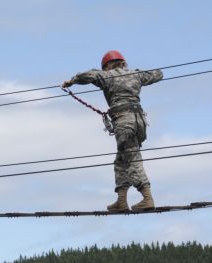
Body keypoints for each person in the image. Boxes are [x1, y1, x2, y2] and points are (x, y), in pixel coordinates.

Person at [62, 50, 163, 211]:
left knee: (132, 159)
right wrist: (137, 74)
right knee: (121, 161)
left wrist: (71, 81)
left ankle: (147, 198)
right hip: (140, 121)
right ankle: (121, 201)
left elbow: (88, 75)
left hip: (124, 121)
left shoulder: (107, 75)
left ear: (107, 65)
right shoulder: (136, 75)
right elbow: (158, 74)